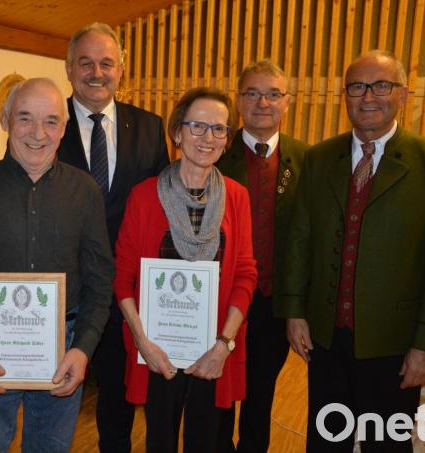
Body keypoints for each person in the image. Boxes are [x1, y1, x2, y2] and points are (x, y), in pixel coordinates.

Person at [275, 50, 425, 452]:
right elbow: (299, 241)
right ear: (346, 95)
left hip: (394, 343)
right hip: (326, 340)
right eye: (357, 86)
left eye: (382, 85)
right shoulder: (320, 158)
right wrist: (294, 312)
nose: (368, 96)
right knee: (326, 442)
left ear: (403, 94)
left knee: (386, 445)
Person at [0, 78, 115, 453]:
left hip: (63, 351)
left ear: (64, 128)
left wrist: (83, 349)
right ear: (5, 120)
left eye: (51, 121)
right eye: (25, 119)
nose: (38, 134)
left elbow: (99, 281)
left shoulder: (84, 192)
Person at [113, 87, 257, 452]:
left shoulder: (237, 197)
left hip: (212, 350)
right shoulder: (144, 196)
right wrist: (143, 342)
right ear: (177, 133)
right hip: (158, 348)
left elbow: (245, 273)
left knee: (205, 443)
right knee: (159, 441)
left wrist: (224, 344)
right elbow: (123, 276)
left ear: (227, 139)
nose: (208, 138)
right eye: (197, 126)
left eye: (219, 129)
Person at [58, 22, 170, 453]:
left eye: (106, 63)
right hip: (66, 288)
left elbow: (160, 205)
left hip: (130, 290)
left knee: (121, 397)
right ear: (69, 68)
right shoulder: (49, 122)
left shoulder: (149, 126)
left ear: (122, 70)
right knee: (58, 394)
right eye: (85, 62)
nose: (96, 72)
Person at [215, 60, 309, 453]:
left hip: (274, 307)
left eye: (273, 94)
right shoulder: (215, 153)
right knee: (216, 397)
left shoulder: (308, 160)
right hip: (220, 303)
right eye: (252, 93)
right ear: (238, 101)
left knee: (261, 394)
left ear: (287, 102)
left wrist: (298, 309)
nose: (263, 102)